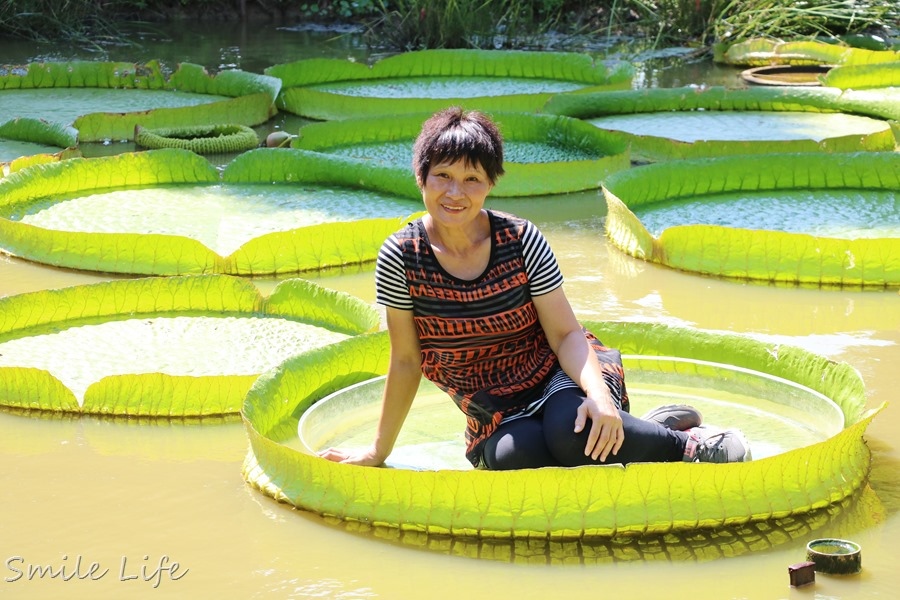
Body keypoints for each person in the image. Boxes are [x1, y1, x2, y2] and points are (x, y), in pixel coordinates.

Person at [319, 107, 751, 470]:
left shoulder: (521, 240)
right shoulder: (401, 257)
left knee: (571, 433)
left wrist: (598, 396)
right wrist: (378, 451)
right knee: (515, 459)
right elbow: (407, 360)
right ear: (421, 178)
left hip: (558, 376)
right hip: (493, 409)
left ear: (491, 183)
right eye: (443, 177)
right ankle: (653, 427)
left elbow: (566, 335)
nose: (456, 193)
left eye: (472, 180)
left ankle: (690, 446)